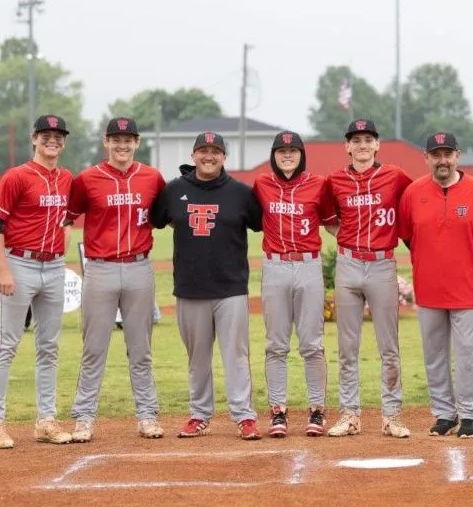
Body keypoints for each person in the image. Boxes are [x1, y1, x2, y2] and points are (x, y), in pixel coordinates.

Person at [149, 131, 264, 441]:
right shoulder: (174, 191)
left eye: (215, 151)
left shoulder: (240, 193)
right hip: (190, 288)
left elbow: (259, 223)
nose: (209, 156)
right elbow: (159, 219)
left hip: (231, 288)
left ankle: (244, 416)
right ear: (193, 155)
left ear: (224, 157)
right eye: (203, 150)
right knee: (197, 358)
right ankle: (200, 414)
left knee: (236, 356)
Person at [397, 132, 473, 439]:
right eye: (436, 154)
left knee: (467, 354)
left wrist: (469, 260)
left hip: (467, 289)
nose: (442, 160)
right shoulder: (413, 193)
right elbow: (408, 237)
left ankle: (471, 415)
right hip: (429, 288)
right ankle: (445, 413)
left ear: (457, 155)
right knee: (434, 355)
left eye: (448, 154)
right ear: (427, 158)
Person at [65, 117, 167, 442]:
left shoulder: (152, 178)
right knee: (94, 348)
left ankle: (147, 416)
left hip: (139, 267)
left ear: (137, 142)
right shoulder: (87, 179)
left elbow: (166, 216)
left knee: (141, 348)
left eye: (128, 140)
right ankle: (83, 418)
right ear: (105, 142)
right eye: (116, 139)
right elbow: (67, 217)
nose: (122, 145)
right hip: (99, 268)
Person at [0, 114, 74, 449]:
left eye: (59, 136)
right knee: (7, 345)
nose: (53, 140)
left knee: (49, 347)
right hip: (20, 263)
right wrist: (2, 268)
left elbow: (70, 217)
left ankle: (45, 421)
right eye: (47, 135)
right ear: (34, 138)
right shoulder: (17, 176)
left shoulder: (66, 178)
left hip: (54, 266)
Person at [323, 119, 413, 438]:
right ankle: (350, 414)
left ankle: (392, 415)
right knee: (348, 346)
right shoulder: (334, 180)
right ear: (346, 146)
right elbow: (327, 218)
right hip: (348, 264)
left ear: (377, 145)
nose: (362, 145)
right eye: (355, 140)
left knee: (388, 346)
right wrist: (346, 237)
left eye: (368, 139)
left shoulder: (396, 176)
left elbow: (417, 202)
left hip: (382, 264)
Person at [252, 131, 335, 438]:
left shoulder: (318, 184)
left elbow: (332, 223)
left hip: (308, 265)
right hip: (275, 266)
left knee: (312, 343)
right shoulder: (262, 185)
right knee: (276, 344)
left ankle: (316, 409)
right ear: (273, 155)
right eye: (281, 151)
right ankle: (278, 411)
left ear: (302, 155)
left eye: (293, 151)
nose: (287, 155)